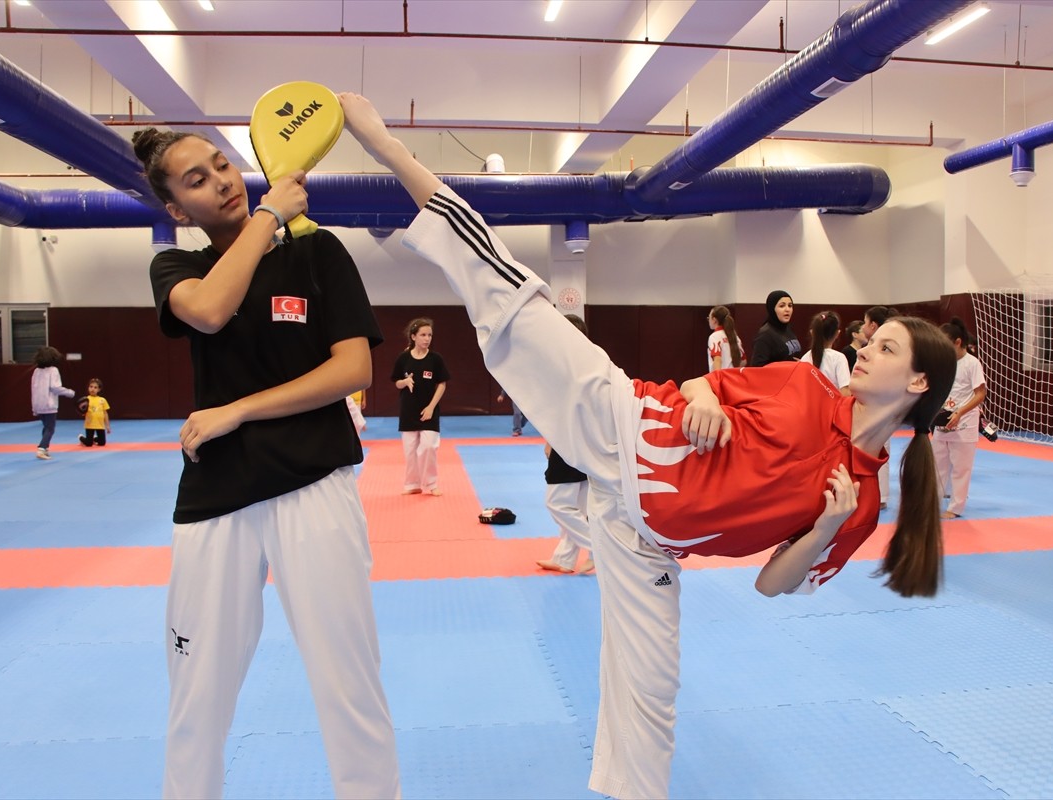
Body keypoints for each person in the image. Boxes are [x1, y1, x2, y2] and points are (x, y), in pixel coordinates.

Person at [338, 91, 958, 800]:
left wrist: (823, 523)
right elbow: (703, 384)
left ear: (916, 380)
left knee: (651, 693)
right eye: (869, 341)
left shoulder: (864, 503)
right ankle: (388, 147)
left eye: (883, 348)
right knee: (509, 288)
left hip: (649, 543)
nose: (864, 351)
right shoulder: (808, 386)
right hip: (621, 422)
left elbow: (771, 583)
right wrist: (698, 400)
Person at [132, 127, 399, 799]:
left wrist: (238, 410)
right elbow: (212, 312)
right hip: (214, 499)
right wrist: (266, 216)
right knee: (196, 693)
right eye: (195, 180)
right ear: (175, 210)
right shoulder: (177, 270)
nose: (220, 179)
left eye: (221, 164)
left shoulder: (318, 252)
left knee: (349, 682)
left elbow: (353, 367)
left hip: (314, 485)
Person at [537, 314, 595, 575]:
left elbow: (560, 409)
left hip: (571, 440)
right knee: (579, 505)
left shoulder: (571, 367)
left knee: (558, 502)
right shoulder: (588, 362)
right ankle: (565, 558)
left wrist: (551, 439)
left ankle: (599, 550)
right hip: (586, 441)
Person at [932, 317, 988, 520]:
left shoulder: (972, 363)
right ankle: (932, 504)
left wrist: (960, 412)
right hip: (943, 420)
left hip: (964, 422)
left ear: (957, 342)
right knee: (937, 466)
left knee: (961, 468)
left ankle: (955, 507)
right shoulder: (943, 363)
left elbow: (980, 394)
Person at [392, 317, 449, 495]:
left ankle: (431, 484)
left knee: (429, 446)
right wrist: (405, 381)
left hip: (429, 410)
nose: (427, 338)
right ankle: (412, 484)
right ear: (413, 336)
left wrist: (431, 406)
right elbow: (396, 382)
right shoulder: (403, 358)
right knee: (410, 451)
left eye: (430, 335)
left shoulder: (435, 359)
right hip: (408, 409)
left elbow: (442, 384)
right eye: (423, 335)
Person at [862, 306, 899, 508]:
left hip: (882, 403)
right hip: (876, 403)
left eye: (865, 322)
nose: (863, 326)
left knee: (880, 448)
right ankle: (875, 494)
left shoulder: (887, 350)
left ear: (873, 325)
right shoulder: (872, 347)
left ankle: (882, 497)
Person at [30, 345, 75, 460]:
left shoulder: (36, 371)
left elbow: (33, 388)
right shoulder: (53, 370)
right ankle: (41, 448)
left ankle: (45, 448)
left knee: (46, 427)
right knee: (50, 428)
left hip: (38, 404)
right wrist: (69, 392)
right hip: (49, 404)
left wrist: (34, 407)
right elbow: (55, 387)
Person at [800, 310, 851, 395]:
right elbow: (845, 393)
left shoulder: (805, 358)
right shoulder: (839, 358)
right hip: (833, 407)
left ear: (812, 333)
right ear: (837, 334)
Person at [748, 290, 799, 366]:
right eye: (782, 306)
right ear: (772, 309)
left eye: (790, 305)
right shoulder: (765, 335)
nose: (787, 309)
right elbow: (757, 367)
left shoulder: (788, 328)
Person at [706, 305, 745, 371]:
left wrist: (718, 379)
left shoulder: (715, 337)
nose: (708, 320)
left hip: (721, 378)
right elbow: (743, 361)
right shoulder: (736, 337)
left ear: (714, 320)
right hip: (733, 378)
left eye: (708, 318)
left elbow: (717, 360)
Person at [77, 378, 112, 447]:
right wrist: (82, 412)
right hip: (89, 424)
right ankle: (81, 437)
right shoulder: (86, 399)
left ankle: (93, 438)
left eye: (95, 387)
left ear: (99, 389)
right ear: (88, 388)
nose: (92, 389)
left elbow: (105, 413)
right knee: (89, 444)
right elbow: (83, 412)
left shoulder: (102, 400)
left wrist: (107, 426)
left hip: (100, 425)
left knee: (102, 443)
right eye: (91, 387)